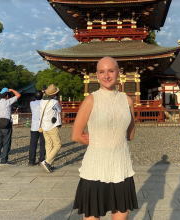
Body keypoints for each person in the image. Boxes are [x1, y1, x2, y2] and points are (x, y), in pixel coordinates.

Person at [72, 57, 138, 219]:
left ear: (118, 73)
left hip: (121, 166)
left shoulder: (127, 100)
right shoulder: (91, 99)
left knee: (121, 214)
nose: (106, 76)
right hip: (96, 167)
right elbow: (76, 135)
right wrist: (95, 140)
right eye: (101, 72)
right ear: (96, 75)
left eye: (110, 71)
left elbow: (130, 134)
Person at [39, 84, 62, 173]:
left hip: (44, 126)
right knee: (57, 145)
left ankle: (49, 165)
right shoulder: (54, 102)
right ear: (54, 94)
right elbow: (59, 110)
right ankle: (47, 162)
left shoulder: (42, 101)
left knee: (49, 144)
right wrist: (57, 99)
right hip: (52, 126)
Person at [0, 88, 21, 165]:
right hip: (6, 124)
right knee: (6, 142)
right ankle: (4, 160)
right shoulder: (8, 102)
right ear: (7, 96)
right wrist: (11, 89)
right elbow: (18, 95)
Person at [28, 90, 46, 166]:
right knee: (42, 144)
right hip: (43, 126)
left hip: (34, 126)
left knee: (33, 144)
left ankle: (31, 161)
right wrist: (44, 95)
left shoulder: (32, 103)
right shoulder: (44, 103)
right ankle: (41, 160)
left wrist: (41, 95)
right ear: (42, 96)